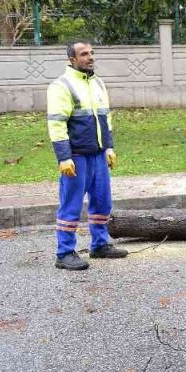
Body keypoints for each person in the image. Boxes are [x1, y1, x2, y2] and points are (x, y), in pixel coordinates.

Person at [47, 41, 127, 270]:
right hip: (77, 157)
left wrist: (109, 148)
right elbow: (57, 124)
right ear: (72, 59)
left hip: (98, 155)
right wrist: (64, 157)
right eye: (84, 54)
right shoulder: (61, 86)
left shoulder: (98, 83)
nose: (90, 57)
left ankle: (100, 245)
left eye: (91, 53)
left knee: (102, 202)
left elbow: (105, 118)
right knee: (71, 205)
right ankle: (64, 253)